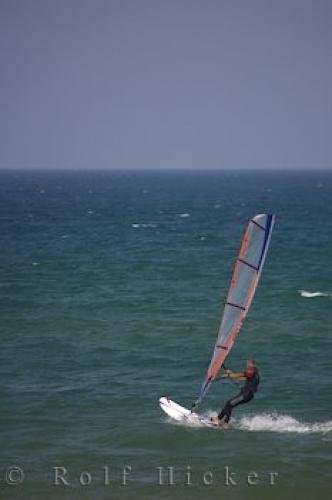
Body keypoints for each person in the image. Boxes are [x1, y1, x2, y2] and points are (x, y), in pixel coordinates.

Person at [210, 359, 260, 428]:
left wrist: (228, 375)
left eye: (248, 364)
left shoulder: (251, 371)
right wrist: (231, 374)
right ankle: (219, 419)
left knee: (229, 403)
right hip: (248, 395)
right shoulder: (255, 373)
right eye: (247, 364)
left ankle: (225, 423)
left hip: (245, 395)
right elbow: (240, 378)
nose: (247, 366)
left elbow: (240, 374)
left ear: (252, 365)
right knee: (230, 404)